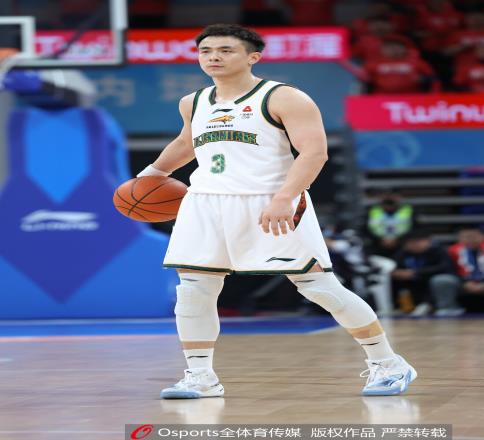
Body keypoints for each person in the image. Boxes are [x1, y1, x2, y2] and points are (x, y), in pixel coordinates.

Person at [137, 24, 416, 399]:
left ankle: (389, 363)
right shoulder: (193, 101)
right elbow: (187, 142)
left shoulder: (284, 98)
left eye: (225, 50)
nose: (213, 57)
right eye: (205, 51)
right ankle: (200, 376)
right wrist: (152, 174)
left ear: (253, 56)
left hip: (270, 199)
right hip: (205, 201)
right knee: (194, 290)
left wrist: (285, 197)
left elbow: (314, 153)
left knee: (318, 286)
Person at [431, 228, 484, 315]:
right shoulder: (451, 251)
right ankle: (448, 309)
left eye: (473, 236)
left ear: (483, 237)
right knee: (441, 280)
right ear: (459, 239)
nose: (470, 240)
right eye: (466, 237)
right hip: (462, 283)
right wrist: (465, 283)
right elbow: (449, 270)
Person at [392, 230, 452, 317]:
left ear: (428, 241)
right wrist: (398, 273)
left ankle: (429, 305)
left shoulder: (437, 251)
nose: (414, 245)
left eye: (418, 242)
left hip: (430, 279)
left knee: (438, 281)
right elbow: (393, 266)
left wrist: (416, 272)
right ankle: (402, 307)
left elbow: (444, 267)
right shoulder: (402, 253)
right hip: (409, 282)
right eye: (410, 242)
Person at [366, 188, 416, 258]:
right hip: (377, 245)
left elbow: (415, 229)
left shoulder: (409, 210)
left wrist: (398, 240)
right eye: (386, 195)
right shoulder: (372, 211)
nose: (389, 198)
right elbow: (365, 229)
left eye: (393, 195)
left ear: (399, 197)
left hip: (403, 246)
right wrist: (380, 240)